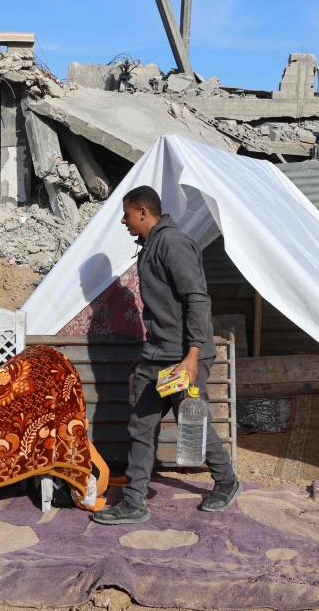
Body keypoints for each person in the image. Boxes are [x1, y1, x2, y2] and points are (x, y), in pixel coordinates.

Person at [93, 186, 241, 525]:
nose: (124, 220)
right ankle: (134, 501)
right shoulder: (150, 245)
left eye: (127, 214)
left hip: (182, 355)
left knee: (192, 422)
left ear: (143, 213)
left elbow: (197, 299)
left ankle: (227, 481)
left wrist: (192, 356)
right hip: (158, 354)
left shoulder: (173, 243)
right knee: (141, 424)